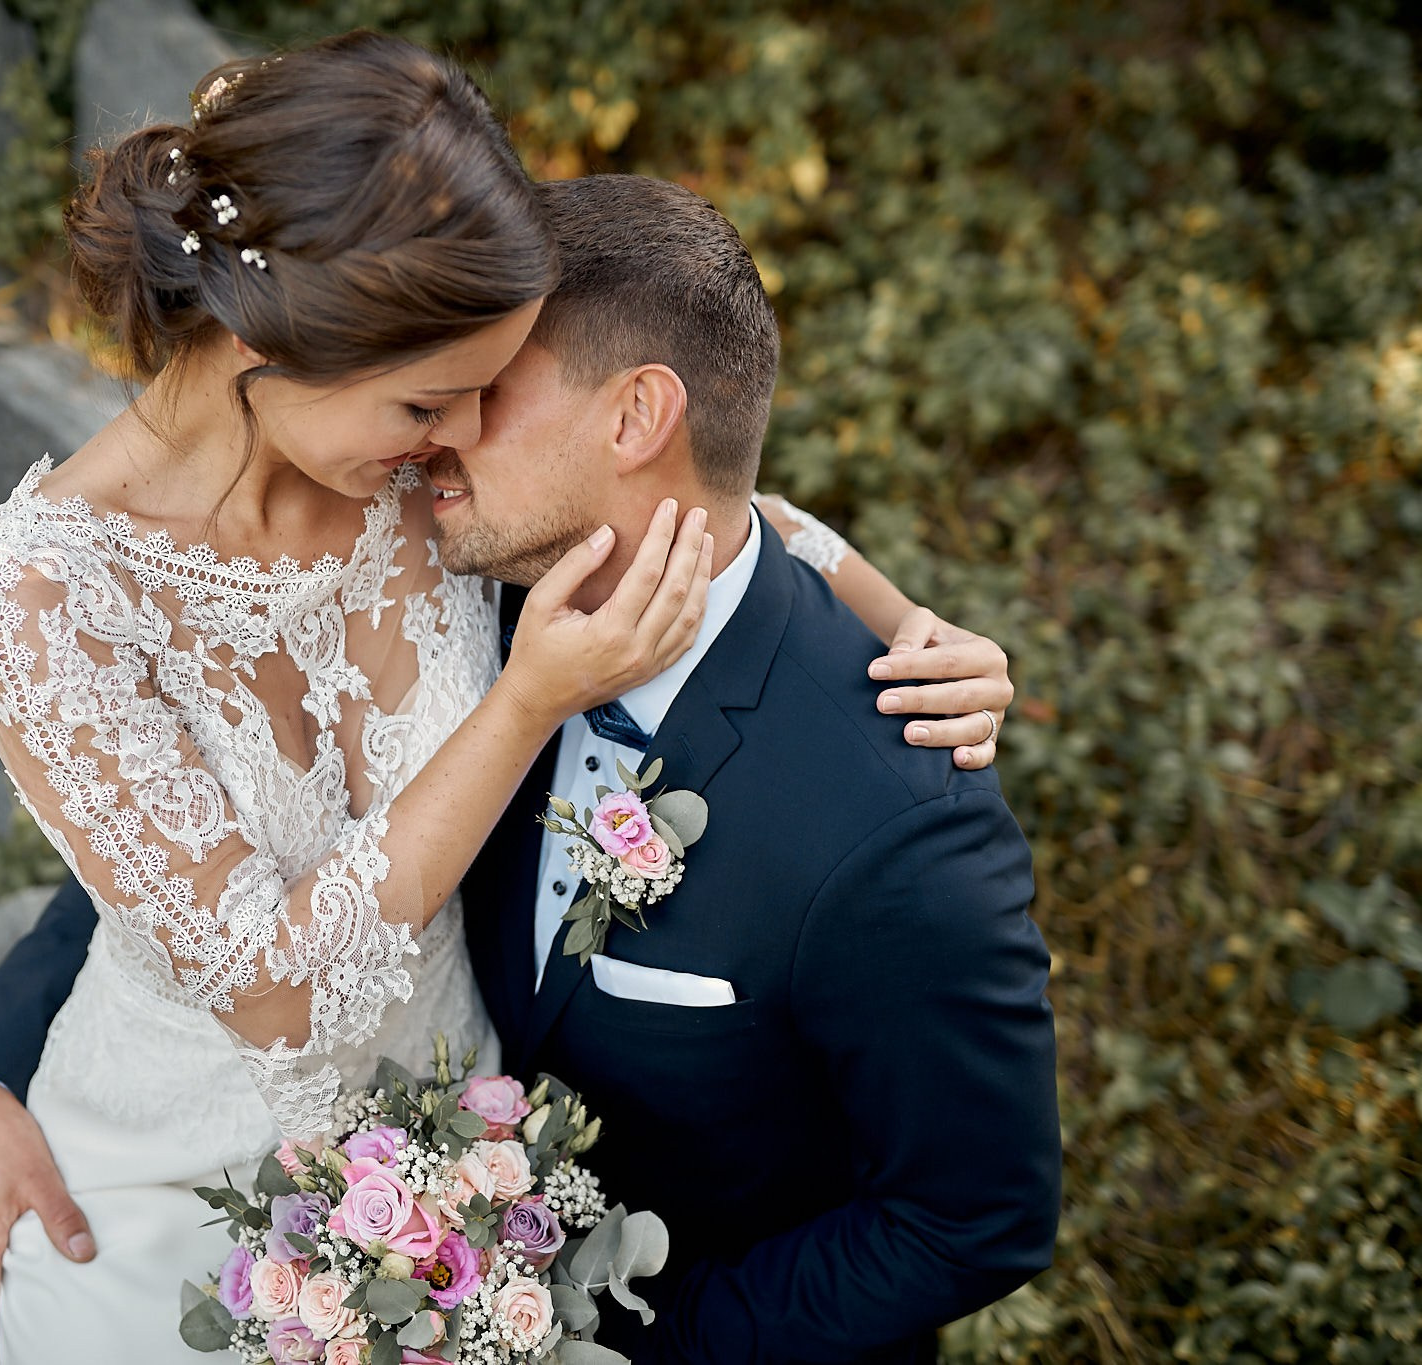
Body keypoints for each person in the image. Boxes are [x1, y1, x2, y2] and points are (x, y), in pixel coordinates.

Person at [0, 39, 1033, 1365]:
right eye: (428, 396)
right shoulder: (87, 573)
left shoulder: (396, 477)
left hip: (472, 1206)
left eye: (475, 398)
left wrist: (893, 617)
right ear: (273, 339)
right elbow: (195, 884)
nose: (443, 438)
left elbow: (695, 509)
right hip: (164, 1183)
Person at [446, 175, 1059, 1362]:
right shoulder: (443, 602)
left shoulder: (896, 823)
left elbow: (972, 1218)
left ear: (634, 417)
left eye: (482, 389)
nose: (434, 427)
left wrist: (631, 1347)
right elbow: (234, 832)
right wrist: (4, 1064)